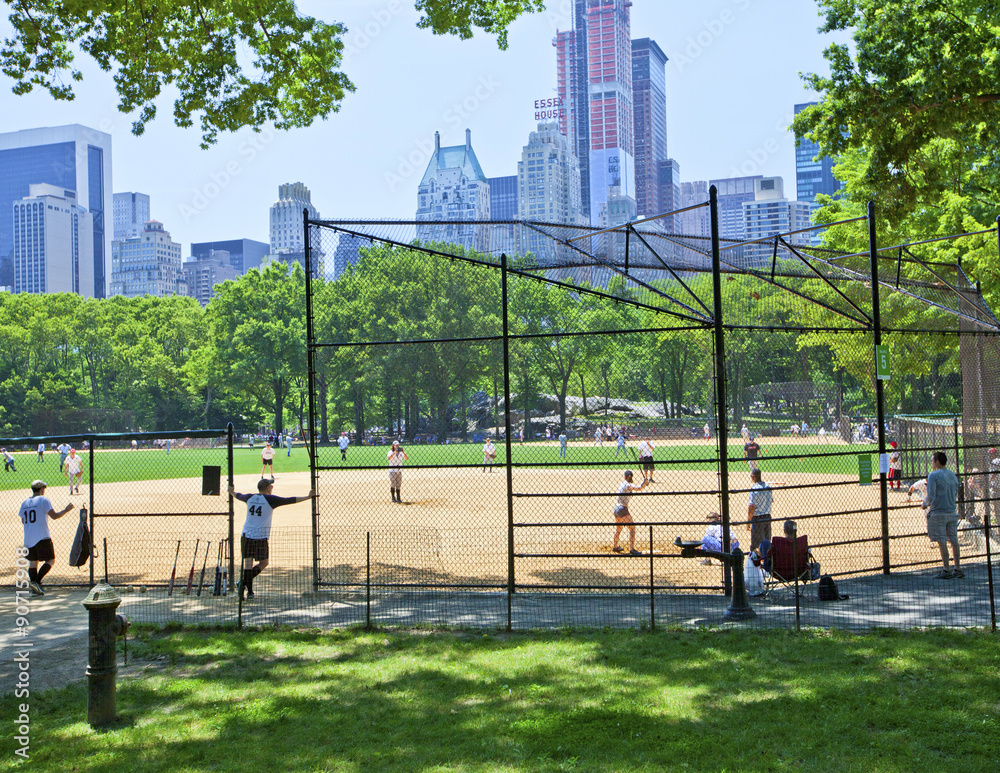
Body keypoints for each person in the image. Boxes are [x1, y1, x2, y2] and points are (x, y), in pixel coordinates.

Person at [229, 478, 316, 599]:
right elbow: (289, 500)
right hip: (260, 537)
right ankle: (246, 588)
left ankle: (248, 591)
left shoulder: (250, 497)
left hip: (246, 535)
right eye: (271, 486)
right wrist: (307, 497)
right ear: (267, 488)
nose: (272, 488)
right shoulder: (270, 499)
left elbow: (239, 495)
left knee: (248, 565)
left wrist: (231, 492)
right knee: (264, 563)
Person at [19, 480, 74, 595]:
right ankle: (36, 582)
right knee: (50, 560)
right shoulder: (43, 500)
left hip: (28, 537)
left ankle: (35, 586)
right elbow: (54, 516)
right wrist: (66, 510)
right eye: (44, 487)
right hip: (42, 536)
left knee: (33, 562)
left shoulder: (24, 503)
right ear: (41, 489)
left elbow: (23, 521)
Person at [923, 451, 963, 579]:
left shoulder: (933, 476)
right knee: (954, 540)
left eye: (932, 460)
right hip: (952, 511)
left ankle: (946, 569)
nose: (931, 463)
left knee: (942, 541)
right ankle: (957, 568)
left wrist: (924, 504)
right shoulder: (952, 475)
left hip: (939, 512)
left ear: (937, 462)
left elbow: (930, 495)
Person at [612, 470, 649, 556]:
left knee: (619, 529)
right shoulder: (628, 485)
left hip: (616, 508)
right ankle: (632, 550)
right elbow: (638, 488)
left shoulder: (622, 483)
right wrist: (644, 483)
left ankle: (615, 546)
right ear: (630, 477)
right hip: (622, 508)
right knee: (632, 528)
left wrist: (644, 483)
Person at [747, 468, 773, 552]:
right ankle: (767, 561)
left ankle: (755, 562)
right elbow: (771, 500)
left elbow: (751, 507)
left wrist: (748, 521)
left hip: (758, 518)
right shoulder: (768, 487)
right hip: (768, 516)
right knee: (767, 542)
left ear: (753, 477)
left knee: (755, 545)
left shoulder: (754, 489)